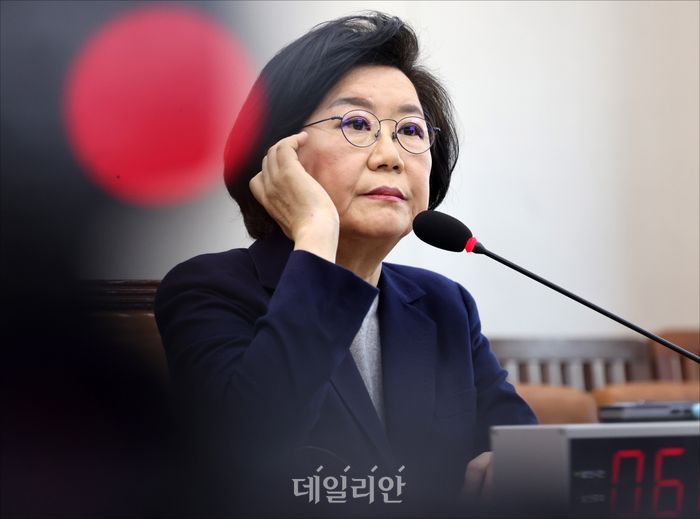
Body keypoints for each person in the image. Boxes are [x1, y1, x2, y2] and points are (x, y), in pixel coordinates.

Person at [155, 12, 536, 518]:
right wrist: (316, 232)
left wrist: (512, 470)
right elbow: (249, 450)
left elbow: (527, 452)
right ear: (280, 155)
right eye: (357, 124)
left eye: (410, 130)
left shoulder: (444, 305)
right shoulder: (208, 288)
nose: (390, 156)